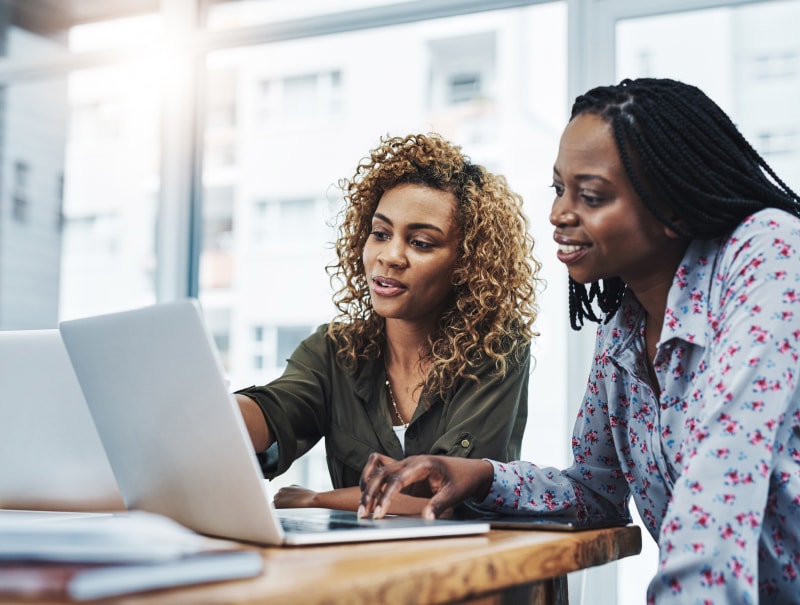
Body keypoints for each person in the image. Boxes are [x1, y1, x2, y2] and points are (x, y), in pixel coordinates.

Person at [358, 78, 800, 603]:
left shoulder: (768, 253)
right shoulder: (622, 334)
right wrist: (479, 476)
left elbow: (723, 474)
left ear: (674, 207)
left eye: (589, 196)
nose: (559, 215)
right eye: (558, 190)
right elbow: (595, 492)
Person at [235, 132, 542, 513]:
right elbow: (276, 410)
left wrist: (318, 500)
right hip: (375, 568)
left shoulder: (496, 347)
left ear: (467, 264)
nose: (390, 256)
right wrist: (219, 410)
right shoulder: (334, 350)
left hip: (473, 568)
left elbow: (445, 497)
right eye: (380, 234)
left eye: (421, 243)